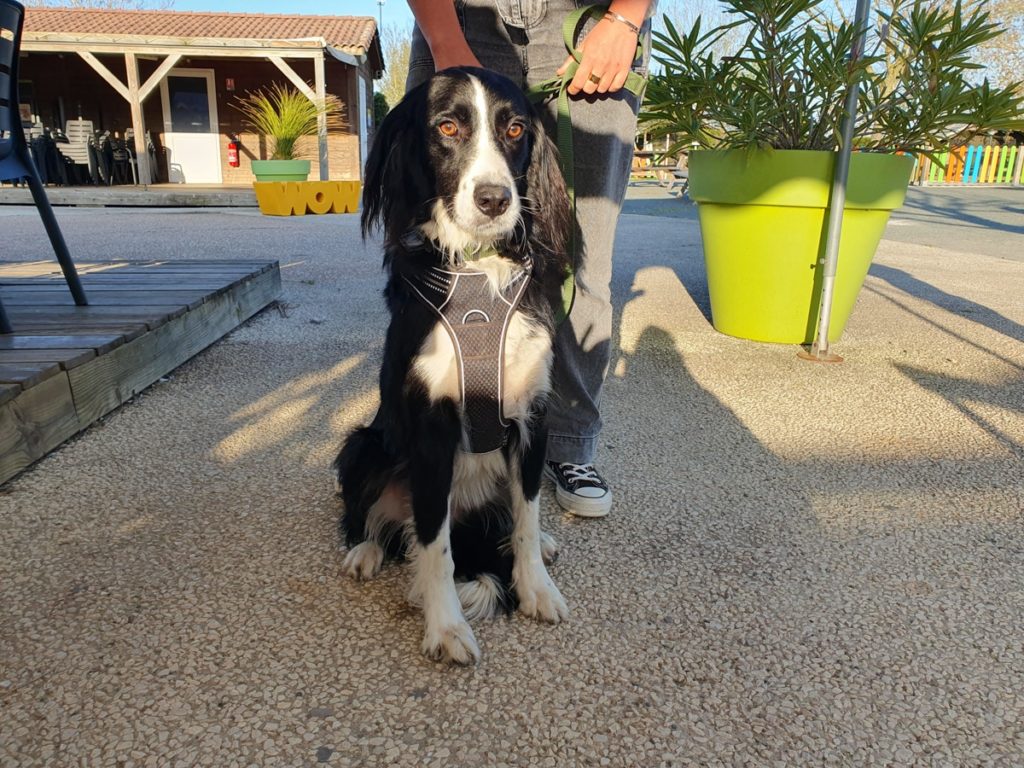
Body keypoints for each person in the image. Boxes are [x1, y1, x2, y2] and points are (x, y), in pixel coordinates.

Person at [406, 0, 654, 518]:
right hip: (461, 15)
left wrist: (627, 17)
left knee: (583, 255)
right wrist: (444, 38)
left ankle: (566, 445)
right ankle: (440, 437)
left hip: (592, 18)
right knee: (434, 247)